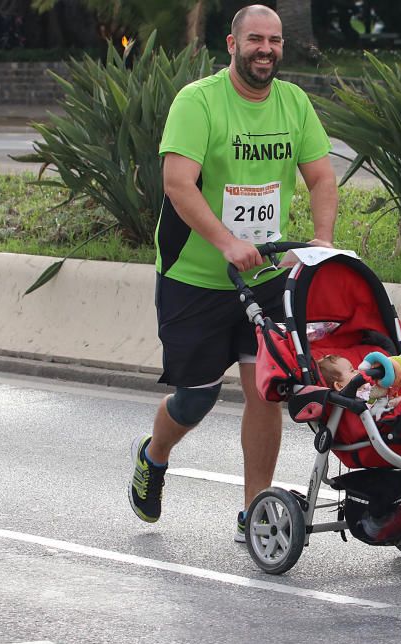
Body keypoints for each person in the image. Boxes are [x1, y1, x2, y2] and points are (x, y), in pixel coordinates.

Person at [129, 4, 338, 543]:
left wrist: (321, 243)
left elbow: (320, 178)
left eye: (273, 41)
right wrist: (226, 243)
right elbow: (179, 184)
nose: (265, 49)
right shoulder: (198, 102)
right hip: (194, 277)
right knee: (195, 397)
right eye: (254, 40)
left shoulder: (294, 103)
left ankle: (255, 511)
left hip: (264, 280)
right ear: (231, 43)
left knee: (265, 391)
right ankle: (154, 455)